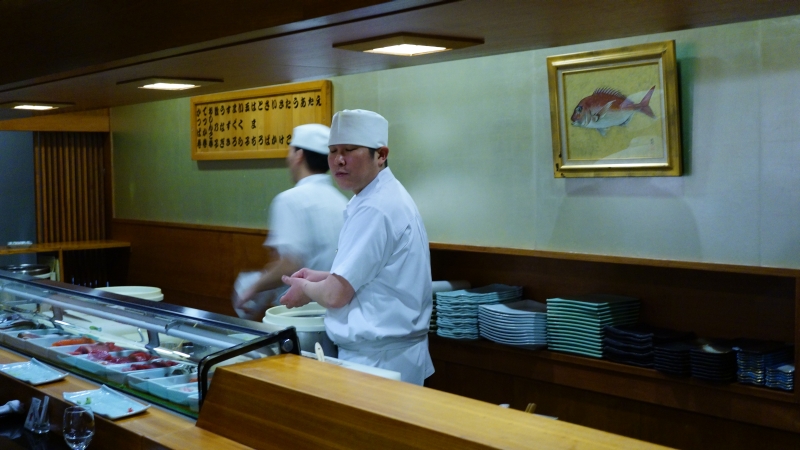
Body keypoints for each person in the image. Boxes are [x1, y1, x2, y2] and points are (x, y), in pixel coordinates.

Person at [280, 109, 434, 385]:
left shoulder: (376, 207)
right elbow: (372, 277)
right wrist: (323, 277)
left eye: (350, 150)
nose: (339, 160)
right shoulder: (378, 196)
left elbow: (335, 295)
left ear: (381, 155)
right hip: (389, 356)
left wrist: (305, 289)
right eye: (333, 151)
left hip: (379, 362)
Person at [233, 124, 348, 320]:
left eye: (290, 151)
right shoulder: (342, 202)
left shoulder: (290, 200)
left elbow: (289, 265)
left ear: (299, 155)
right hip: (336, 313)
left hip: (300, 315)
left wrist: (252, 288)